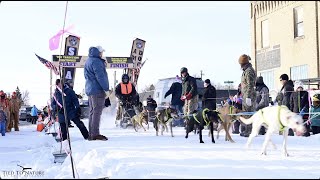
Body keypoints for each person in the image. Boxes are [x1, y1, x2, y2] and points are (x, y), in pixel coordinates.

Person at [84, 46, 110, 141]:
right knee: (97, 112)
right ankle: (95, 134)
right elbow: (101, 77)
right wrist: (106, 89)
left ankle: (91, 133)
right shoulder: (97, 62)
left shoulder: (88, 60)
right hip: (97, 90)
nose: (102, 54)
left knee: (92, 112)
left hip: (90, 89)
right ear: (99, 52)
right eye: (102, 52)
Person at [238, 54, 256, 137]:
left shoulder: (249, 71)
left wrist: (248, 96)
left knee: (249, 114)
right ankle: (247, 130)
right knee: (246, 113)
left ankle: (250, 131)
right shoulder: (245, 71)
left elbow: (250, 85)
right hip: (245, 95)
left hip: (249, 96)